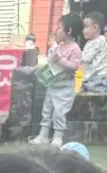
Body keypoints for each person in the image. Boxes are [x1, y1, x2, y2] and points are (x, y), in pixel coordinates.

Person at [32, 13, 83, 146]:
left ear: (69, 31)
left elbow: (75, 66)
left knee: (60, 112)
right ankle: (43, 134)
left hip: (65, 87)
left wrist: (60, 60)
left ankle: (58, 136)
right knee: (46, 110)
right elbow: (51, 63)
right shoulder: (57, 47)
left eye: (59, 28)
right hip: (53, 85)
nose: (56, 31)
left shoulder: (75, 48)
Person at [81, 12, 107, 92]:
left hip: (99, 78)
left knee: (96, 98)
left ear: (95, 27)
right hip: (91, 77)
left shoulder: (99, 41)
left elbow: (86, 58)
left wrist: (73, 56)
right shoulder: (89, 42)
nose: (83, 30)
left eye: (86, 27)